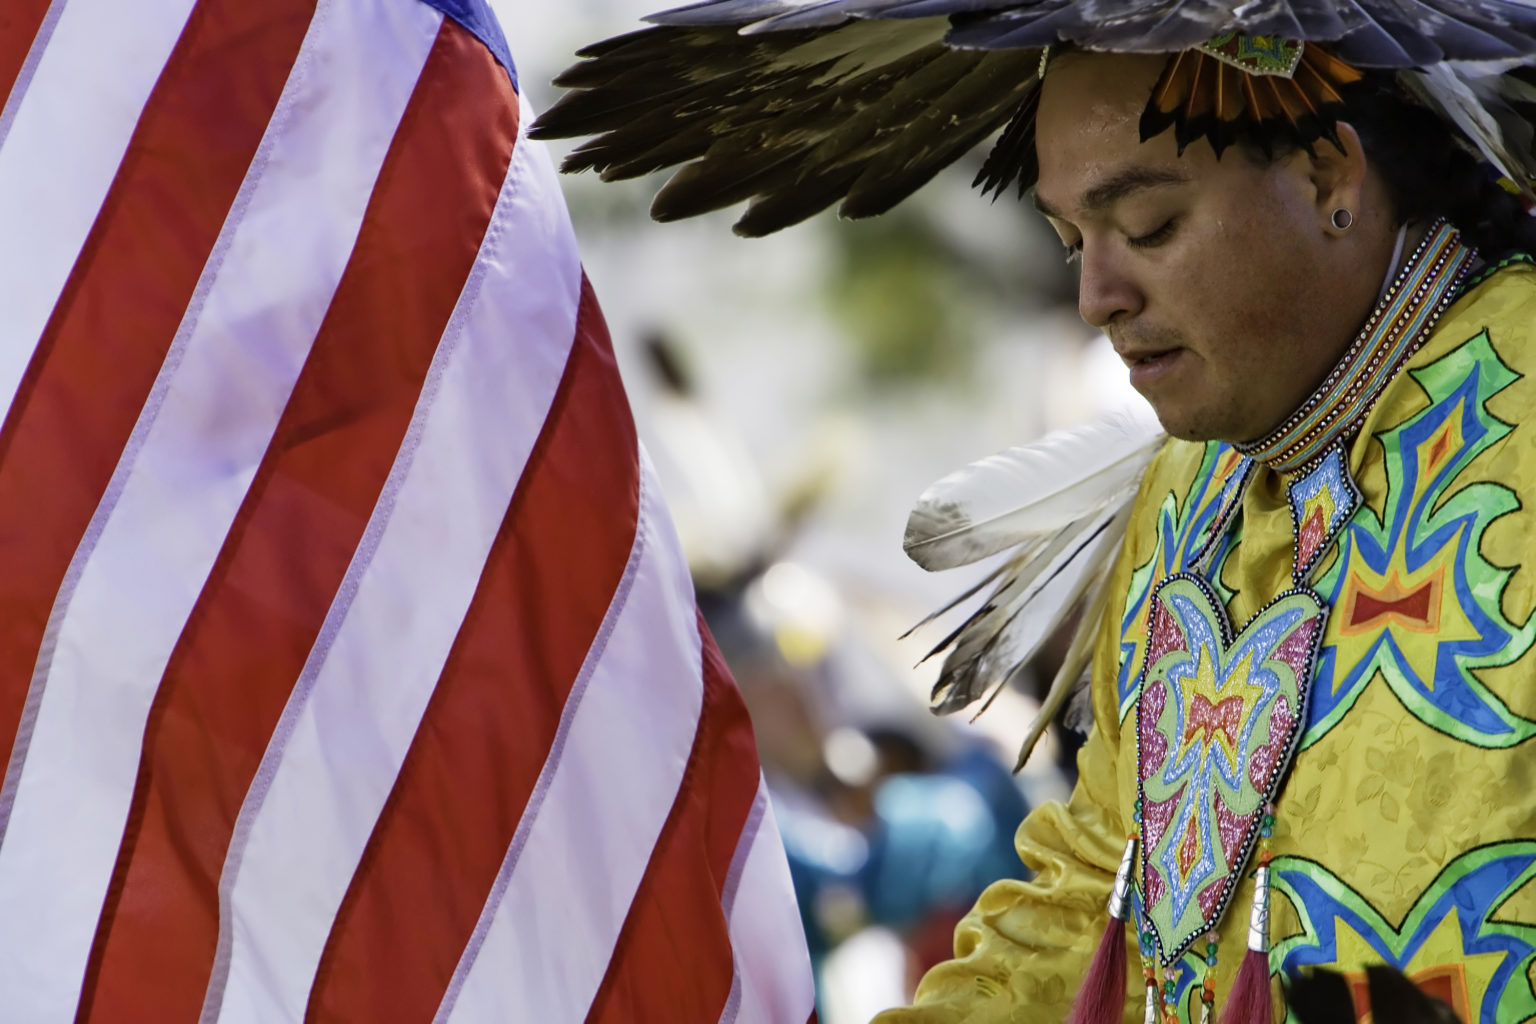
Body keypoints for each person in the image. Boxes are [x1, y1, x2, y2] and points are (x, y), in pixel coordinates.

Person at [535, 4, 1536, 1021]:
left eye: (1150, 226)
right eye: (1071, 240)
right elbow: (1092, 885)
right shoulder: (1186, 494)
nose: (1098, 294)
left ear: (1328, 177)